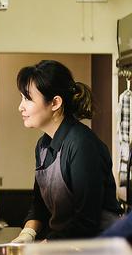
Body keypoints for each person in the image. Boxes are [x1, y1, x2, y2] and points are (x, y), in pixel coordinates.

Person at [11, 60, 121, 243]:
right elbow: (39, 206)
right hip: (65, 248)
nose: (20, 107)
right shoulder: (43, 145)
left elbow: (86, 220)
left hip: (97, 251)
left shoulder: (82, 145)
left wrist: (47, 245)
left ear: (55, 102)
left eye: (27, 99)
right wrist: (27, 234)